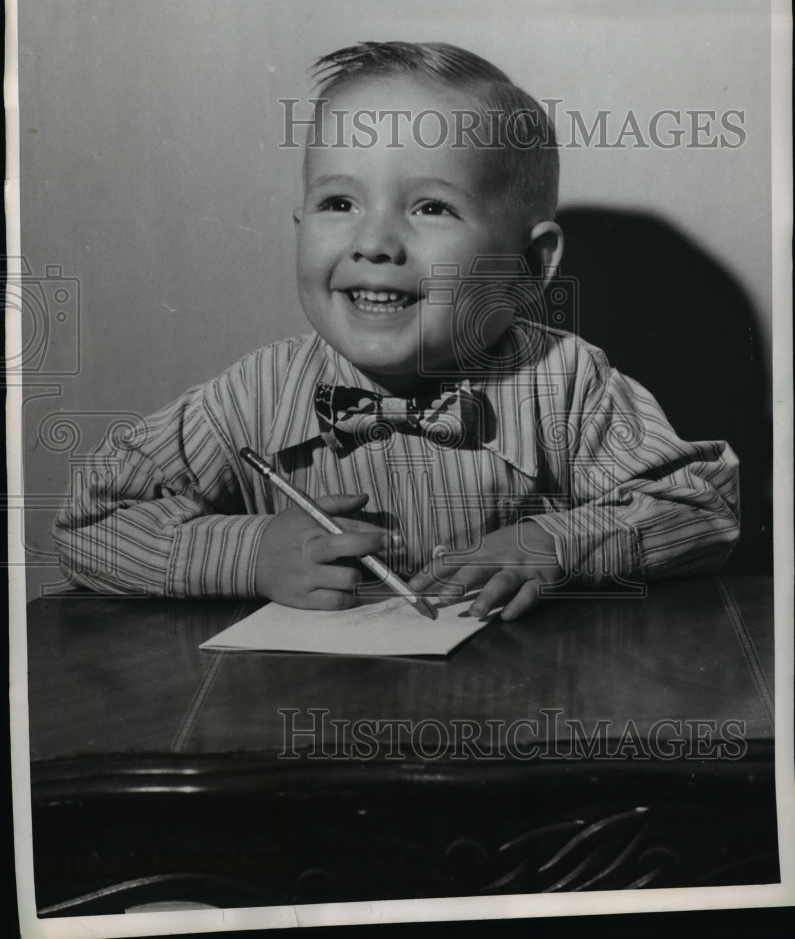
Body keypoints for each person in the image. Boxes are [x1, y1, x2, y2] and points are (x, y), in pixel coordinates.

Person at [54, 41, 740, 621]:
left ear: (529, 265)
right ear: (300, 229)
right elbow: (90, 524)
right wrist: (252, 552)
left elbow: (703, 505)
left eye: (431, 207)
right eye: (339, 202)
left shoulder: (564, 382)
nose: (374, 241)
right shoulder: (253, 394)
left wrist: (555, 542)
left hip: (520, 712)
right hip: (299, 720)